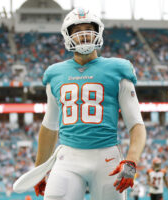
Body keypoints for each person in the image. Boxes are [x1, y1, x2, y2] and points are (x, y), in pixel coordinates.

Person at [33, 8, 146, 200]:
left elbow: (136, 124)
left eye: (88, 28)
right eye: (77, 30)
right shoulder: (55, 74)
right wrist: (39, 170)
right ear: (68, 36)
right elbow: (49, 126)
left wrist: (131, 161)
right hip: (68, 157)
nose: (84, 34)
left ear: (99, 32)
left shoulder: (118, 69)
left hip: (107, 158)